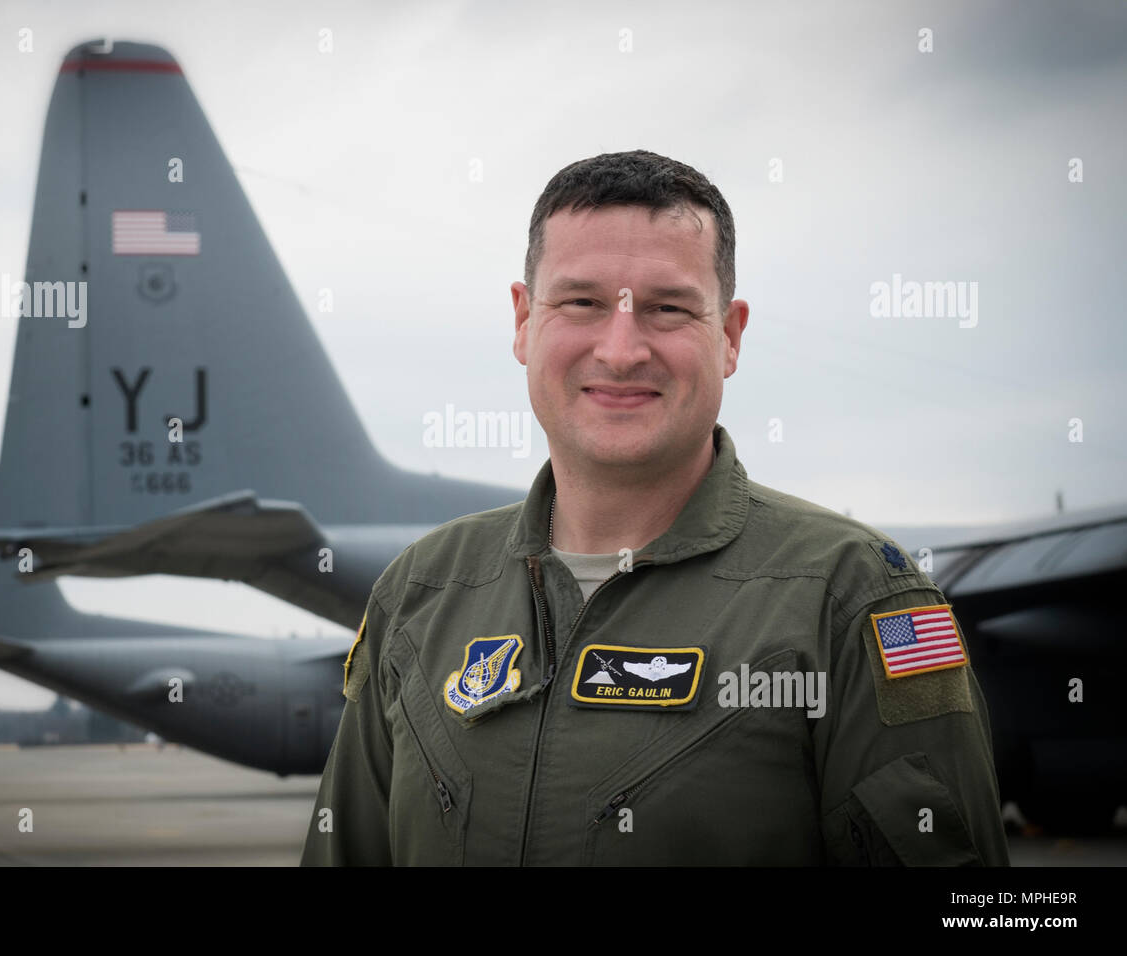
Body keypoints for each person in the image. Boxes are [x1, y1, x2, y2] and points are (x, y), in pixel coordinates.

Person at [301, 150, 1010, 866]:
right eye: (581, 302)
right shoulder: (419, 594)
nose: (620, 350)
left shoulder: (856, 600)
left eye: (669, 308)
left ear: (729, 336)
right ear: (523, 321)